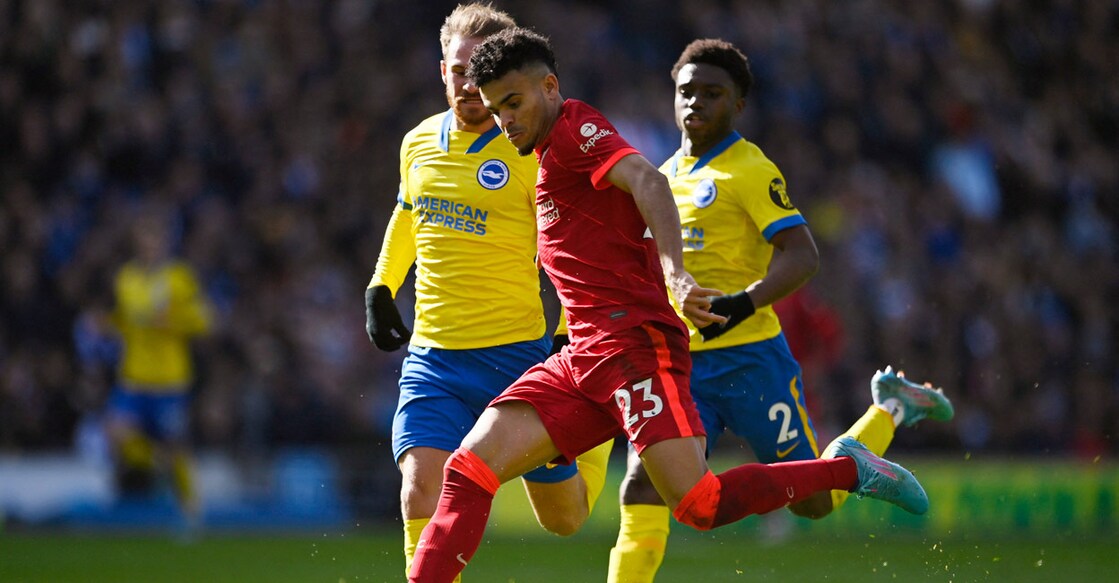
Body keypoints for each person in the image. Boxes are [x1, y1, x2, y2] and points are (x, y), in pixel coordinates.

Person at [407, 27, 931, 582]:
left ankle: (849, 470)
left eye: (514, 103)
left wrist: (676, 275)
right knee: (468, 469)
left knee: (699, 504)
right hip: (583, 358)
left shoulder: (576, 129)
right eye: (496, 110)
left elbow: (648, 181)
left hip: (633, 349)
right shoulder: (546, 154)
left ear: (550, 87)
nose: (505, 120)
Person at [602, 38, 956, 582]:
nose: (696, 102)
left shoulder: (748, 168)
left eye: (713, 93)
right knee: (645, 482)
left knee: (814, 502)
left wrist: (743, 304)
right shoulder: (662, 176)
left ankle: (890, 409)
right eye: (687, 92)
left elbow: (803, 255)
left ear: (738, 104)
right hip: (680, 364)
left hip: (750, 361)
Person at [362, 4, 611, 579]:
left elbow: (569, 249)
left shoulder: (532, 151)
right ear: (441, 71)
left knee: (564, 518)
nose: (468, 84)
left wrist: (567, 334)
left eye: (480, 73)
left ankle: (596, 437)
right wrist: (382, 285)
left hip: (517, 358)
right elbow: (408, 214)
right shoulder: (418, 141)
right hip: (435, 360)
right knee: (419, 489)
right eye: (457, 70)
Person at [104, 210, 213, 531]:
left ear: (164, 243)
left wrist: (173, 320)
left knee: (177, 445)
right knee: (116, 433)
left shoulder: (179, 278)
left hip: (170, 379)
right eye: (144, 240)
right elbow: (125, 319)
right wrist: (108, 325)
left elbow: (204, 320)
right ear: (137, 243)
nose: (149, 246)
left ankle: (191, 513)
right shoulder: (126, 278)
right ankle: (157, 462)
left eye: (155, 240)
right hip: (134, 376)